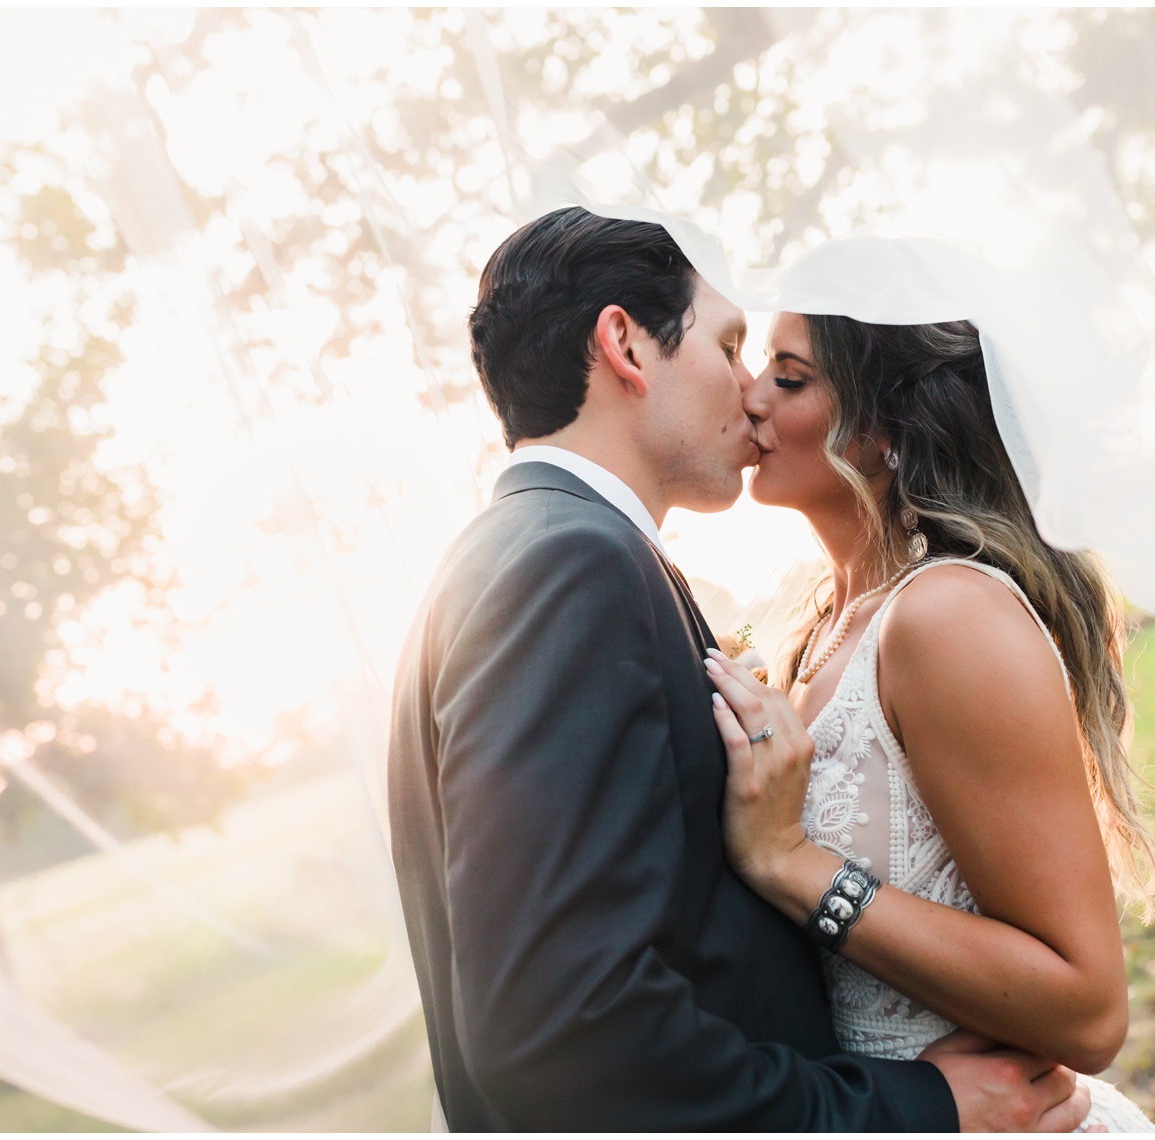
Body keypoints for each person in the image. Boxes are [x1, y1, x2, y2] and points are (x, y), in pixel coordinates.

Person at [388, 206, 1093, 1130]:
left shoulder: (518, 556)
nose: (747, 392)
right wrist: (907, 1110)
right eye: (728, 348)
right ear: (626, 347)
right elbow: (560, 1028)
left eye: (778, 370)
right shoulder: (573, 566)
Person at [702, 312, 1155, 1131]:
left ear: (887, 430)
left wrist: (792, 864)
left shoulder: (947, 617)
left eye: (791, 376)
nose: (751, 394)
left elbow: (1089, 1009)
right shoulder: (820, 630)